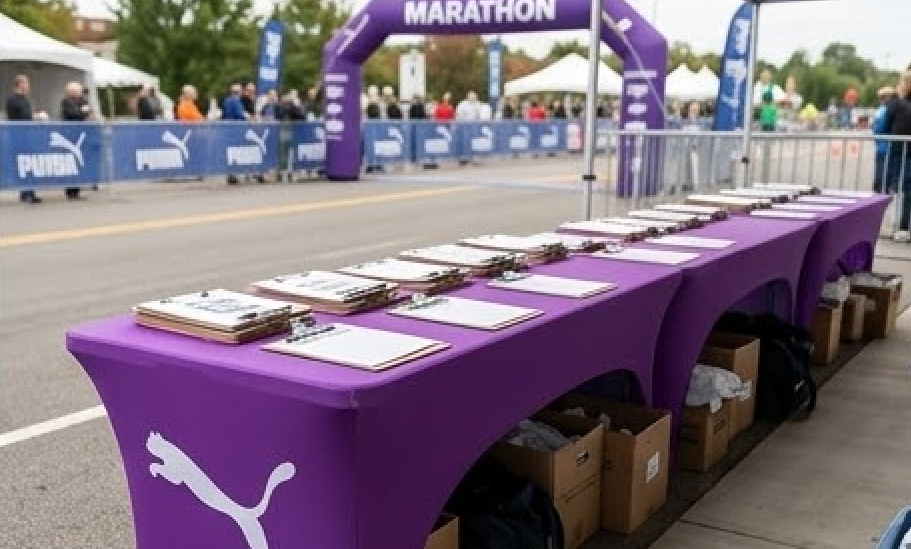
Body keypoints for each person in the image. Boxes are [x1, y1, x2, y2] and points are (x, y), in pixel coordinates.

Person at [5, 75, 46, 204]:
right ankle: (26, 192)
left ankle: (28, 192)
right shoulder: (12, 100)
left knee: (29, 164)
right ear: (20, 85)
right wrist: (36, 117)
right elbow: (21, 116)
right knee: (23, 165)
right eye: (26, 83)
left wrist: (35, 116)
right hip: (18, 137)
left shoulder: (25, 100)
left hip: (27, 136)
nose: (28, 86)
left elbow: (27, 115)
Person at [882, 71, 911, 242]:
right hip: (902, 153)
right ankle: (902, 227)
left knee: (899, 189)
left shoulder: (895, 104)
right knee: (906, 191)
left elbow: (884, 127)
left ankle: (900, 228)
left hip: (899, 153)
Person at [60, 81, 94, 200]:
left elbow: (89, 111)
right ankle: (70, 191)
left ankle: (77, 190)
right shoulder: (66, 102)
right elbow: (73, 114)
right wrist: (83, 113)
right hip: (70, 137)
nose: (80, 93)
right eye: (78, 90)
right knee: (71, 164)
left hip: (81, 136)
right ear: (72, 92)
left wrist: (85, 112)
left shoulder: (82, 100)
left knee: (79, 164)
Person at [872, 86, 896, 194]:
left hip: (886, 147)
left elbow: (878, 129)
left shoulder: (886, 110)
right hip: (882, 147)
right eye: (879, 97)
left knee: (882, 179)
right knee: (882, 179)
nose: (881, 100)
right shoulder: (881, 110)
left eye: (883, 97)